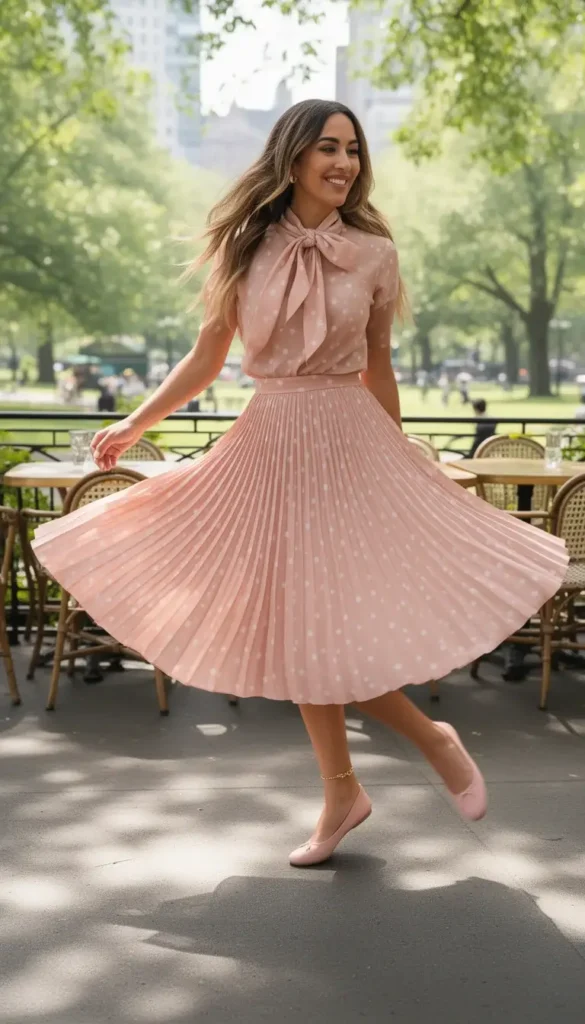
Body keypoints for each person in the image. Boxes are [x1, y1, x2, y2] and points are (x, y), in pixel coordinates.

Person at [31, 99, 568, 868]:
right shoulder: (242, 249)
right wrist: (138, 423)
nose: (344, 162)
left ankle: (393, 761)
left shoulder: (375, 254)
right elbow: (207, 356)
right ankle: (363, 779)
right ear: (291, 158)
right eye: (327, 147)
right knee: (297, 625)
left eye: (353, 148)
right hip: (271, 442)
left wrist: (397, 454)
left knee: (317, 624)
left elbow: (377, 361)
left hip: (348, 440)